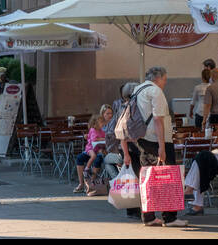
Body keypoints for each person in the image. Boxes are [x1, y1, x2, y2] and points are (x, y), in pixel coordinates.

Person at [122, 66, 185, 228]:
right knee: (169, 177)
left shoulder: (138, 89)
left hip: (141, 139)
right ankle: (170, 217)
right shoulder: (156, 92)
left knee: (148, 178)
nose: (165, 83)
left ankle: (148, 216)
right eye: (165, 79)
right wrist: (162, 147)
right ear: (158, 78)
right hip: (156, 140)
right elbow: (158, 120)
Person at [74, 106, 111, 193]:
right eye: (107, 113)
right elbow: (94, 137)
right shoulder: (98, 127)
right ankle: (81, 184)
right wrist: (87, 136)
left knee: (97, 158)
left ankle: (90, 184)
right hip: (93, 149)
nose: (110, 115)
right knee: (80, 157)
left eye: (111, 113)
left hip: (102, 150)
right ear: (102, 114)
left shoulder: (112, 124)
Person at [189, 67, 211, 132]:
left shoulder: (197, 88)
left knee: (198, 132)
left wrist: (190, 111)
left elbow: (193, 102)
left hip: (199, 112)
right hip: (209, 113)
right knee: (209, 132)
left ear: (202, 77)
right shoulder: (212, 87)